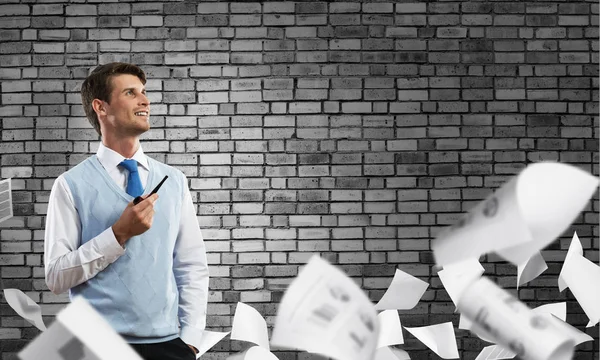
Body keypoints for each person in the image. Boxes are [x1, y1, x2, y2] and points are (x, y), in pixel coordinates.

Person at [44, 62, 209, 360]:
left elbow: (191, 265)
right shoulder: (70, 185)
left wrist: (191, 340)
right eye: (131, 93)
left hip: (169, 346)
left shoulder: (175, 181)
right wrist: (118, 234)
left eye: (144, 93)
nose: (145, 100)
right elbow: (56, 277)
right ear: (101, 107)